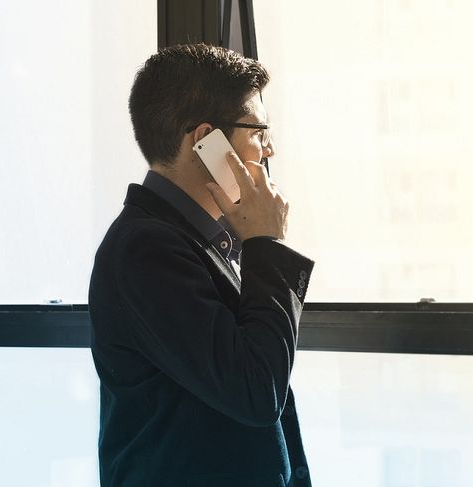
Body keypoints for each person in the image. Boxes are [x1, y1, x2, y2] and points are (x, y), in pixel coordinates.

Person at [88, 43, 314, 487]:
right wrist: (265, 242)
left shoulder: (199, 239)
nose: (269, 149)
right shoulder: (146, 251)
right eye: (258, 130)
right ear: (205, 140)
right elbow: (254, 391)